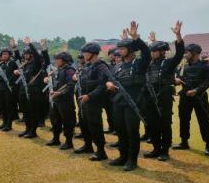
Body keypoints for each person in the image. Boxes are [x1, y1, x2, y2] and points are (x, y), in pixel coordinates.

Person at [106, 21, 151, 171]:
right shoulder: (118, 66)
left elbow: (147, 52)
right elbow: (110, 80)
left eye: (123, 48)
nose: (119, 51)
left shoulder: (139, 64)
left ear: (130, 49)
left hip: (134, 102)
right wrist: (109, 85)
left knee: (132, 131)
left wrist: (135, 37)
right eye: (119, 48)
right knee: (120, 130)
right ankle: (122, 156)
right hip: (118, 102)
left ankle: (132, 160)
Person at [143, 21, 184, 161]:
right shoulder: (148, 65)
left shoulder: (168, 63)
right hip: (149, 97)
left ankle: (165, 150)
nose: (152, 53)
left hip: (164, 96)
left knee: (164, 124)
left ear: (161, 52)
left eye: (154, 51)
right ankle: (156, 148)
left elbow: (179, 54)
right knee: (151, 123)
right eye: (151, 51)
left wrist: (178, 35)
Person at [173, 43, 209, 156]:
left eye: (187, 52)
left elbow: (208, 82)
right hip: (185, 96)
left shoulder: (206, 66)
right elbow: (180, 78)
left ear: (195, 53)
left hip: (199, 97)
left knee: (204, 120)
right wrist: (177, 81)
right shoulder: (184, 66)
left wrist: (196, 91)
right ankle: (184, 142)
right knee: (184, 119)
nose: (185, 55)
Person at [76, 42, 110, 161]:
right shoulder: (88, 66)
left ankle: (101, 151)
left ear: (93, 53)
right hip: (84, 100)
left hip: (94, 101)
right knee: (84, 123)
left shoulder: (102, 66)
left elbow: (102, 86)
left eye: (86, 53)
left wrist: (89, 96)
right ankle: (88, 145)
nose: (84, 55)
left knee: (95, 126)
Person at [14, 38, 46, 139]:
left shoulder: (36, 64)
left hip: (33, 92)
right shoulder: (25, 64)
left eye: (27, 54)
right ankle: (27, 129)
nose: (25, 55)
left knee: (33, 111)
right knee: (25, 111)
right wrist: (15, 49)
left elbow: (37, 56)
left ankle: (33, 131)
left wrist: (30, 44)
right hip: (24, 90)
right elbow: (17, 59)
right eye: (25, 54)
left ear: (31, 54)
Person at [45, 52, 76, 150]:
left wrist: (60, 93)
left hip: (65, 101)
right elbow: (55, 82)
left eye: (58, 59)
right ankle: (56, 138)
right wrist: (48, 78)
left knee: (67, 121)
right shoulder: (58, 70)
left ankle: (69, 142)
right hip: (56, 99)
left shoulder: (70, 70)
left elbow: (70, 85)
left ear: (64, 60)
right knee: (55, 119)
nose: (56, 61)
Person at [0, 47, 19, 131]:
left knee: (8, 106)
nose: (4, 56)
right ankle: (4, 122)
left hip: (9, 87)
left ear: (9, 55)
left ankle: (9, 124)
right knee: (2, 105)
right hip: (0, 87)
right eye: (3, 54)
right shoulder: (1, 64)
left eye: (6, 54)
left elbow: (18, 67)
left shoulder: (13, 63)